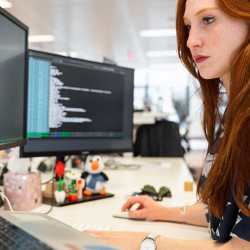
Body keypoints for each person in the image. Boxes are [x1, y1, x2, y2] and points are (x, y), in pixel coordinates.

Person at [85, 0, 250, 249]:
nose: (190, 40)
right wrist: (163, 212)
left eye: (208, 20)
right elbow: (229, 214)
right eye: (188, 26)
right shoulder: (236, 114)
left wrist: (145, 242)